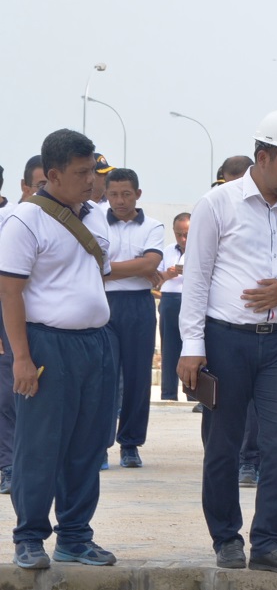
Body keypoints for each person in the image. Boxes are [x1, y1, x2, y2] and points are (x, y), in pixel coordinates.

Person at [178, 110, 277, 575]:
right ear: (262, 157)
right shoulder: (217, 204)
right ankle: (226, 537)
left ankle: (268, 543)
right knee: (223, 444)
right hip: (226, 340)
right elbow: (196, 278)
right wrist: (191, 346)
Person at [0, 128, 117, 569]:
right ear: (52, 175)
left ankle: (75, 536)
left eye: (93, 172)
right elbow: (9, 292)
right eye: (82, 173)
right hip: (47, 345)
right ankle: (29, 537)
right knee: (40, 445)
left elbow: (95, 272)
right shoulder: (24, 221)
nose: (92, 181)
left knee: (89, 445)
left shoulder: (95, 216)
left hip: (96, 343)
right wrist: (22, 358)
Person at [103, 167, 165, 468]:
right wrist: (138, 266)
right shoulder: (95, 222)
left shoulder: (153, 226)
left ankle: (130, 443)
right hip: (103, 304)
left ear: (137, 194)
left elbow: (151, 263)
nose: (120, 201)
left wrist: (107, 268)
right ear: (106, 194)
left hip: (139, 305)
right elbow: (87, 263)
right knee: (103, 377)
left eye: (126, 194)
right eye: (114, 194)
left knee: (138, 378)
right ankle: (99, 444)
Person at [0, 155, 47, 495]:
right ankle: (9, 466)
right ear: (24, 186)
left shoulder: (72, 221)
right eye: (40, 185)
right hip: (9, 319)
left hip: (49, 325)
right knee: (8, 395)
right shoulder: (9, 220)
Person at [158, 212, 191, 401]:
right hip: (170, 300)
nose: (183, 239)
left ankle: (194, 395)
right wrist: (167, 274)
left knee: (193, 348)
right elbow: (156, 279)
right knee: (169, 348)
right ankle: (168, 394)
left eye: (186, 234)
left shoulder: (202, 248)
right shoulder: (168, 250)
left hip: (192, 300)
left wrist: (190, 271)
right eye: (179, 234)